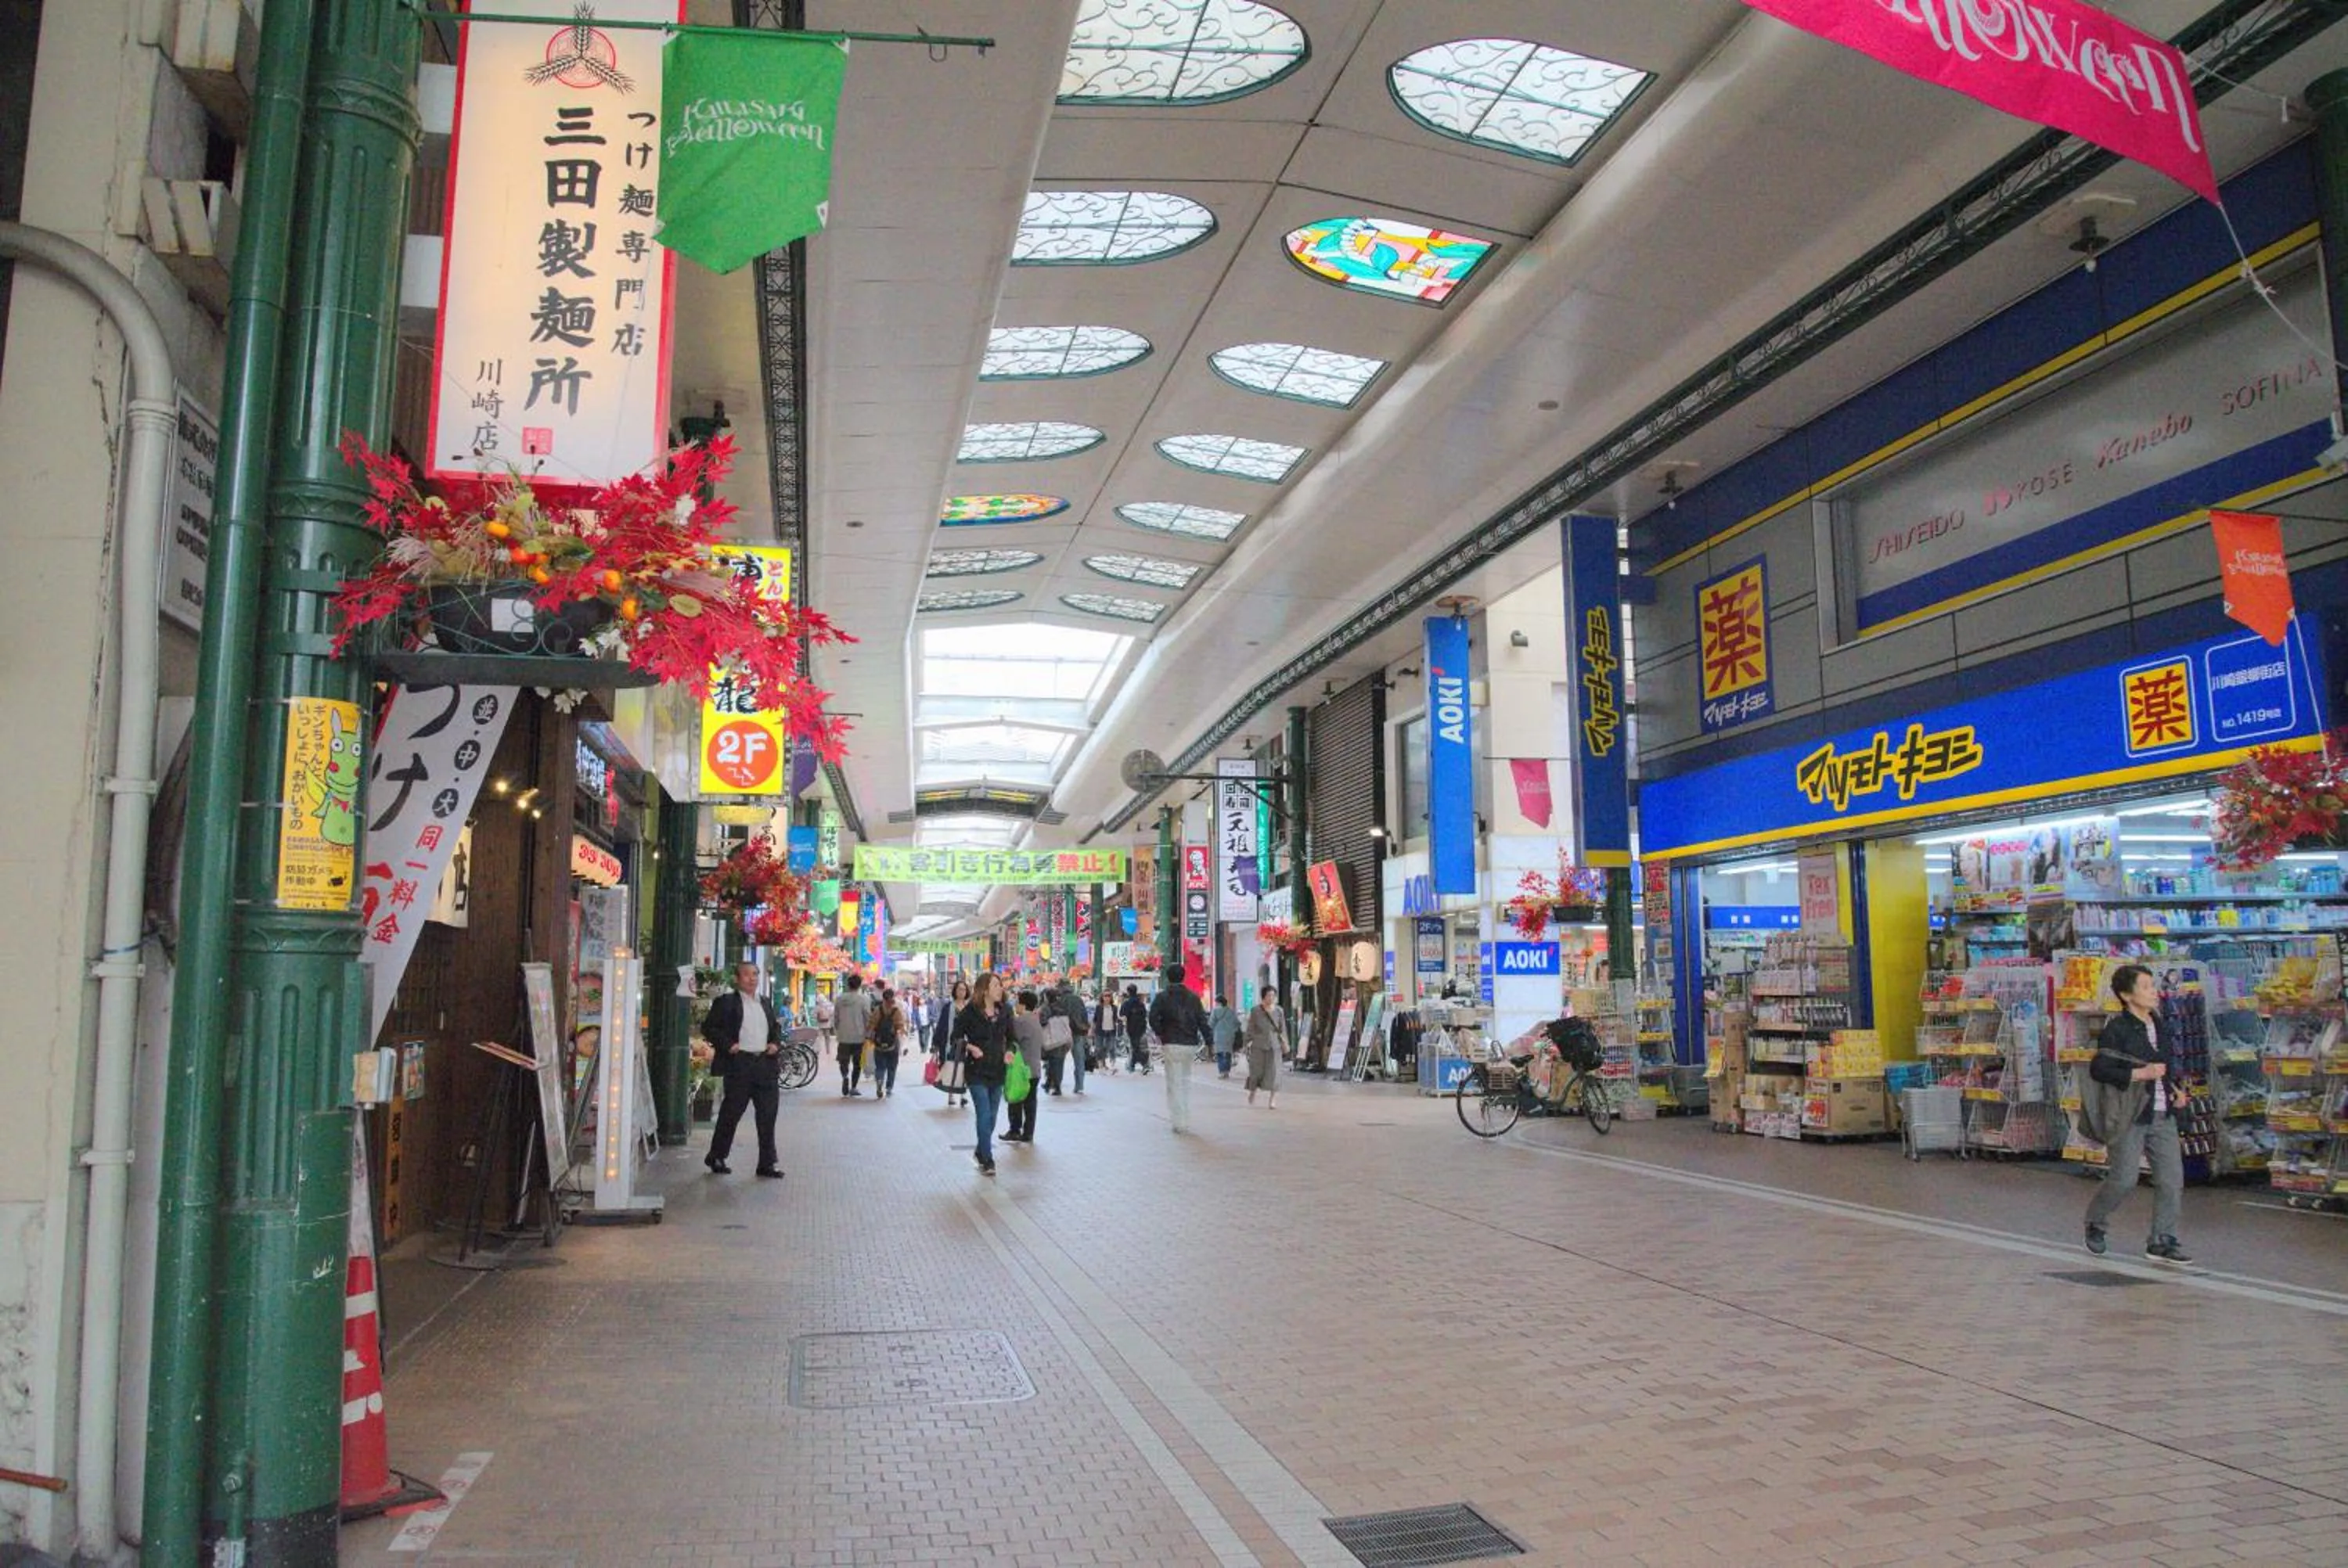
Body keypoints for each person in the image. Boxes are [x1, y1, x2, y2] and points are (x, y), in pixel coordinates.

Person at [2085, 964, 2192, 1265]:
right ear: (2126, 995)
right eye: (2145, 987)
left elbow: (2166, 1065)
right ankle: (2096, 1220)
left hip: (2163, 1112)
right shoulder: (2117, 1029)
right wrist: (2140, 1073)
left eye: (2152, 985)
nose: (2152, 992)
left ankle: (2162, 1240)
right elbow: (2100, 1068)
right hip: (2130, 1114)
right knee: (2124, 1178)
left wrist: (2177, 1089)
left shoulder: (2161, 1025)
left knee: (2172, 1179)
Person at [700, 962, 785, 1178]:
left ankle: (767, 1163)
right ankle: (717, 1156)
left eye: (755, 974)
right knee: (731, 1113)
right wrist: (728, 1045)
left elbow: (775, 1028)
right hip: (740, 1064)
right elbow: (709, 1028)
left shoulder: (765, 1002)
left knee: (768, 1116)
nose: (752, 978)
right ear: (737, 979)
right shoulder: (727, 1002)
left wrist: (775, 1044)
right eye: (747, 975)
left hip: (765, 1064)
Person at [956, 973, 1013, 1174]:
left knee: (993, 1116)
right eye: (996, 985)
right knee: (984, 1113)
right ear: (985, 990)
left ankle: (981, 1150)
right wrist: (971, 1047)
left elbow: (1012, 1038)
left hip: (998, 1069)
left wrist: (1009, 1052)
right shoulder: (970, 1012)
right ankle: (988, 1159)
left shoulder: (1006, 1010)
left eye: (1000, 985)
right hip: (976, 1070)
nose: (1001, 989)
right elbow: (956, 1038)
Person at [1150, 969, 1208, 1132]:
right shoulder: (1193, 997)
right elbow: (1202, 1021)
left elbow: (1153, 1017)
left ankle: (1179, 1121)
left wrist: (1162, 1032)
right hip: (1190, 1043)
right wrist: (1210, 1041)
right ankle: (1185, 1118)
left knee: (1174, 1083)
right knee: (1185, 1081)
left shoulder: (1162, 997)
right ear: (1184, 976)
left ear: (1168, 978)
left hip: (1171, 1043)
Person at [1005, 989, 1048, 1145]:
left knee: (1015, 1098)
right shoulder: (1035, 1020)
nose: (1016, 1006)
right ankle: (1028, 1133)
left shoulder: (1021, 1021)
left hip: (1023, 1069)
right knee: (1030, 1103)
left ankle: (1015, 1130)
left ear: (1022, 1005)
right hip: (1035, 1068)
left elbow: (1010, 1037)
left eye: (1017, 1002)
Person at [831, 972, 873, 1097]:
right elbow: (868, 1017)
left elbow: (836, 1018)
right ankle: (853, 1087)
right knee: (857, 1063)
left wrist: (838, 1030)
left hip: (843, 1036)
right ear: (859, 985)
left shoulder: (839, 999)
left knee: (843, 1061)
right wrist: (869, 1033)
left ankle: (845, 1077)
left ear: (848, 985)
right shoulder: (864, 999)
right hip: (859, 1037)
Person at [931, 976, 971, 1109]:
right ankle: (951, 1094)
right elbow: (941, 1026)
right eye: (960, 989)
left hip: (967, 1044)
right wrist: (936, 1043)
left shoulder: (970, 1008)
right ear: (955, 991)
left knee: (965, 1068)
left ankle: (963, 1096)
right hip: (950, 1043)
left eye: (964, 990)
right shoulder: (948, 1007)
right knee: (951, 1067)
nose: (962, 992)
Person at [1044, 977, 1086, 1095]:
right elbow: (1084, 1015)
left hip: (1064, 1034)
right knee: (1079, 1059)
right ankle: (1079, 1085)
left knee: (1059, 1060)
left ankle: (1057, 1085)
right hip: (1078, 1032)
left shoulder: (1060, 1000)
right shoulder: (1078, 999)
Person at [1243, 991, 1284, 1109]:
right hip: (1258, 1045)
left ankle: (1273, 1100)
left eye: (1273, 996)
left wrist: (1284, 1043)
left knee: (1274, 1072)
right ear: (1263, 997)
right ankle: (1252, 1092)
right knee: (1256, 1072)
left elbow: (1282, 1029)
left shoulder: (1279, 1011)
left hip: (1274, 1046)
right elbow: (1250, 1028)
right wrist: (1246, 1044)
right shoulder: (1256, 1011)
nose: (1271, 998)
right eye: (1268, 996)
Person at [869, 985, 905, 1099]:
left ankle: (879, 1081)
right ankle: (889, 1088)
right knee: (892, 1066)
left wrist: (870, 1037)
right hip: (893, 1043)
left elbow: (871, 1025)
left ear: (883, 999)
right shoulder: (896, 1010)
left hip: (879, 1043)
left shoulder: (877, 1010)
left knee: (880, 1066)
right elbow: (901, 1027)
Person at [1208, 994, 1241, 1079]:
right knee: (1228, 1054)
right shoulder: (1231, 1011)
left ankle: (1222, 1072)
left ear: (1218, 1002)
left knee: (1220, 1054)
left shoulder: (1215, 1011)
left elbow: (1211, 1023)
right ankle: (1226, 1071)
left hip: (1218, 1036)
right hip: (1229, 1036)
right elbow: (1237, 1023)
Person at [1121, 984, 1151, 1074]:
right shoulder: (1141, 1003)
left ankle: (1142, 1064)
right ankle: (1135, 1064)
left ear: (1128, 992)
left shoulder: (1126, 1003)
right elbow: (1145, 1015)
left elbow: (1123, 1016)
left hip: (1131, 1028)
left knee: (1135, 1047)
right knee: (1137, 1046)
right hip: (1141, 1028)